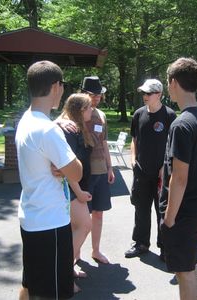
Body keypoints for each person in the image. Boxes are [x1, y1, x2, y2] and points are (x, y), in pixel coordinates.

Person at [16, 60, 82, 300]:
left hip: (33, 217)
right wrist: (67, 168)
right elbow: (77, 173)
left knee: (31, 284)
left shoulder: (26, 119)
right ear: (56, 86)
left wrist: (62, 167)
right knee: (53, 293)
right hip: (50, 223)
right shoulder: (48, 129)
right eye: (62, 85)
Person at [159, 57, 197, 300]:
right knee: (189, 268)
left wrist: (169, 219)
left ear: (173, 83)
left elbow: (179, 178)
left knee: (185, 271)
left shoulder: (182, 124)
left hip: (183, 211)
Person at [125, 79, 176, 260]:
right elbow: (134, 140)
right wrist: (132, 160)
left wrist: (165, 166)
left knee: (162, 211)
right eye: (143, 93)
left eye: (149, 93)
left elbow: (173, 146)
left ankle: (165, 247)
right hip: (141, 171)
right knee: (141, 209)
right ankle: (141, 243)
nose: (145, 96)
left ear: (159, 94)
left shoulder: (169, 115)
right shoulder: (139, 114)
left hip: (162, 173)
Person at [58, 93, 94, 292]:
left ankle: (67, 268)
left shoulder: (75, 126)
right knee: (84, 225)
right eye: (88, 107)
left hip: (77, 188)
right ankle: (62, 274)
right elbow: (67, 166)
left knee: (75, 228)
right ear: (80, 110)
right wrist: (79, 192)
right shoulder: (67, 129)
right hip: (71, 189)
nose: (92, 111)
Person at [81, 76, 115, 264]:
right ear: (84, 94)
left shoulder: (101, 115)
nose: (97, 98)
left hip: (101, 170)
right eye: (93, 95)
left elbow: (104, 143)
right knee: (80, 217)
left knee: (99, 212)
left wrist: (110, 167)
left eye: (99, 94)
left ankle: (96, 250)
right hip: (84, 172)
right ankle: (76, 253)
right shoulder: (75, 115)